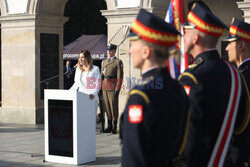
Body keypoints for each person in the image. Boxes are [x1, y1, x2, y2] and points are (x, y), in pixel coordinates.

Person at [120, 9, 190, 167]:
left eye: (132, 44)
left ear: (146, 52)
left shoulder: (141, 96)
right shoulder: (178, 88)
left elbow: (134, 158)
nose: (130, 50)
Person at [178, 3, 244, 166]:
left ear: (195, 38)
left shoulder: (192, 78)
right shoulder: (233, 72)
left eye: (185, 32)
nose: (182, 37)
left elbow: (188, 137)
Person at [223, 18, 250, 166]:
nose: (226, 48)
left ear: (241, 45)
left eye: (230, 43)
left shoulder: (240, 78)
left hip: (240, 152)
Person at [101, 44, 123, 134]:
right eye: (108, 51)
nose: (109, 52)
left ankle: (114, 126)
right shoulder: (104, 62)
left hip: (112, 87)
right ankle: (109, 125)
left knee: (113, 107)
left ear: (114, 51)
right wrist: (100, 87)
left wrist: (117, 89)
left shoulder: (118, 62)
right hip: (104, 87)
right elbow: (102, 75)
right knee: (107, 108)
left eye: (111, 50)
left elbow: (120, 77)